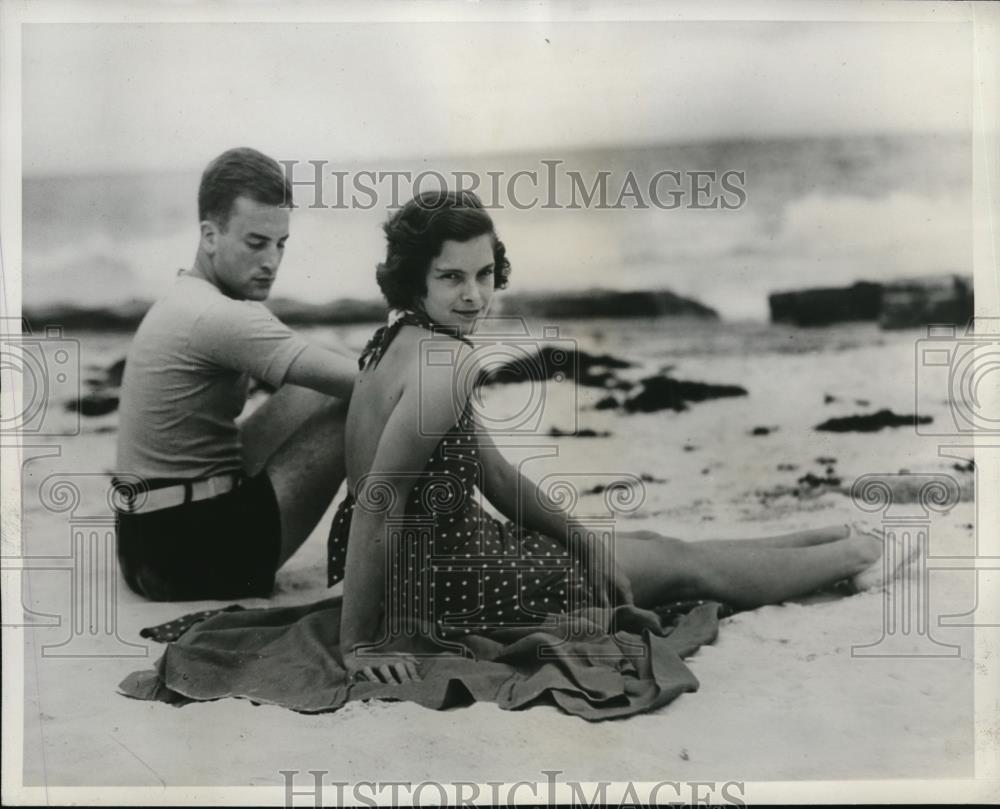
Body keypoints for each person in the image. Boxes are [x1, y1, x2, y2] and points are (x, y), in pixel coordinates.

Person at [330, 190, 904, 687]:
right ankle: (861, 552)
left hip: (434, 561)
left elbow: (496, 477)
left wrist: (580, 540)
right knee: (678, 566)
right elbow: (380, 505)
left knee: (647, 541)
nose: (474, 296)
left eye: (484, 274)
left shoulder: (397, 337)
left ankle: (829, 536)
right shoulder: (446, 365)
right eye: (451, 277)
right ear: (416, 277)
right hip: (451, 581)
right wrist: (358, 644)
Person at [115, 147, 357, 601]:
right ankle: (402, 545)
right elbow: (372, 382)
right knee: (356, 405)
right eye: (255, 243)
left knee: (321, 375)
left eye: (280, 244)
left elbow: (324, 368)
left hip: (141, 542)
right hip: (184, 559)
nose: (272, 261)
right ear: (210, 235)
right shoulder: (221, 317)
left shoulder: (185, 297)